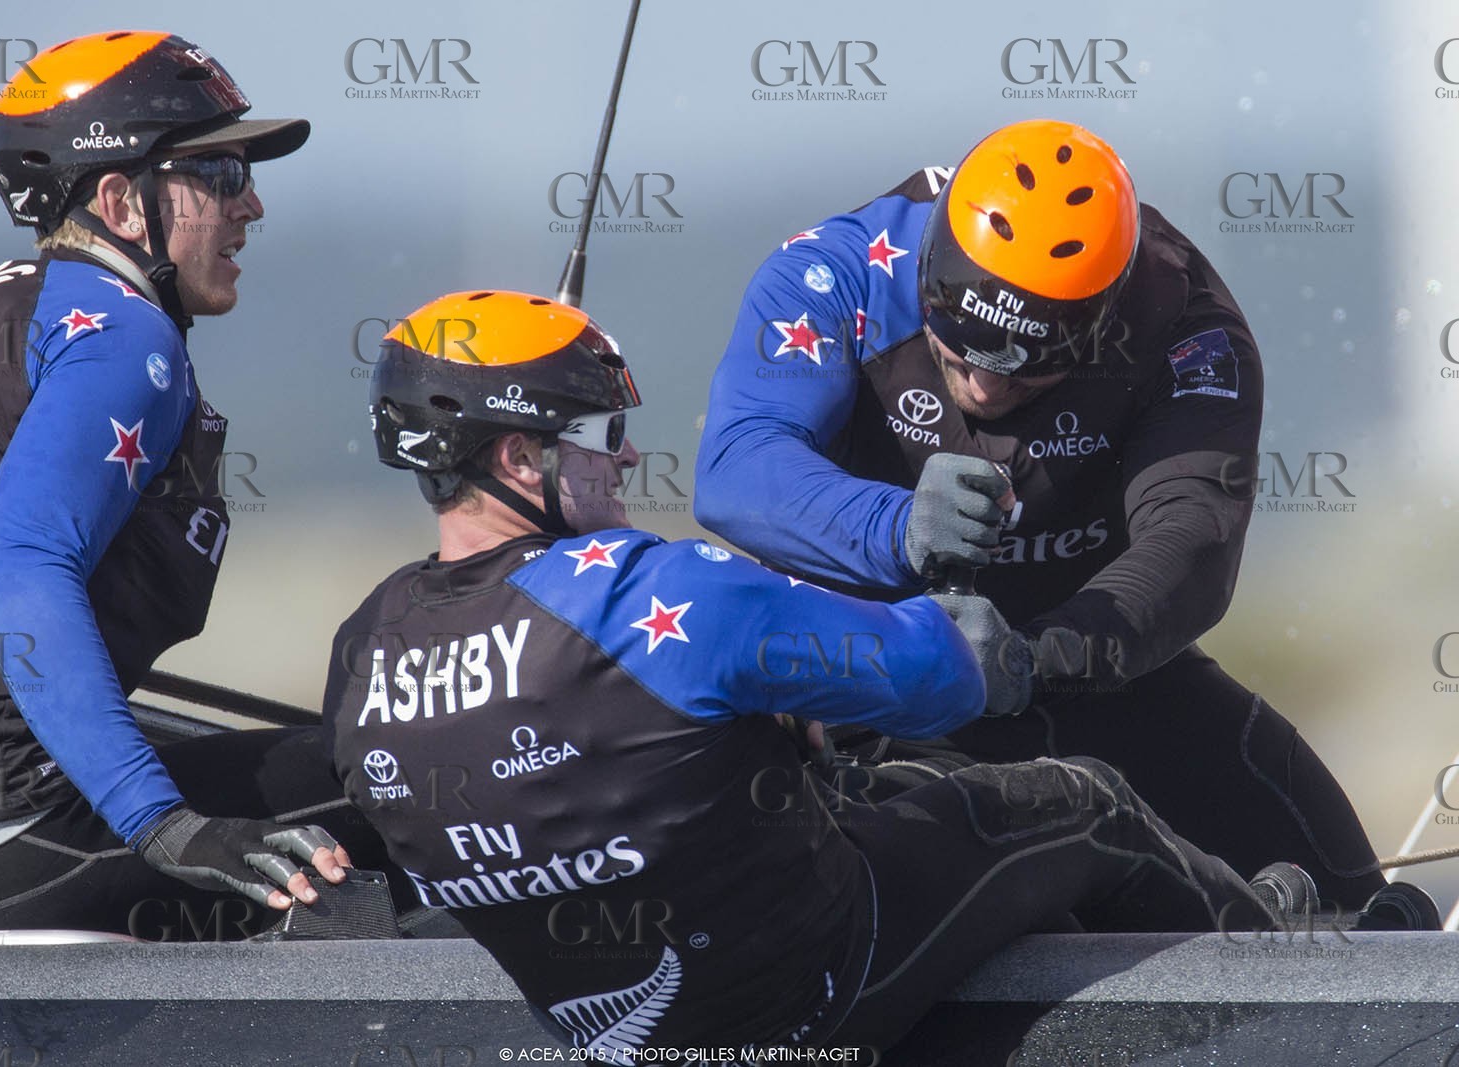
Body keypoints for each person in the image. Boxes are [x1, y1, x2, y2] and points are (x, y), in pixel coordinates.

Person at [323, 289, 1288, 1058]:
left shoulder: (363, 647)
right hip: (819, 990)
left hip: (605, 1032)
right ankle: (1275, 966)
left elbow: (561, 772)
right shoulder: (644, 591)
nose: (627, 460)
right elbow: (945, 671)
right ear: (517, 455)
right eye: (600, 436)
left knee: (899, 784)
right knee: (1083, 803)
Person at [695, 118, 1434, 924]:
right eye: (961, 334)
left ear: (1101, 321)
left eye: (1030, 360)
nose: (982, 382)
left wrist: (1030, 661)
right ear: (934, 268)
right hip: (870, 675)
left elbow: (1190, 540)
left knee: (1353, 893)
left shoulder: (1184, 325)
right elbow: (736, 467)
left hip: (1087, 666)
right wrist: (896, 523)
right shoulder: (838, 273)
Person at [0, 30, 379, 935]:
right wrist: (164, 825)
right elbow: (18, 576)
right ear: (119, 201)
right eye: (219, 173)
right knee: (417, 774)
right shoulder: (122, 329)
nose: (251, 203)